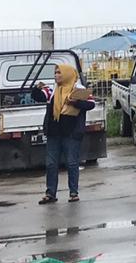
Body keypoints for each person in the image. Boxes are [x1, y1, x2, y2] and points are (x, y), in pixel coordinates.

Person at [37, 64, 96, 204]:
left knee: (72, 163)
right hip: (54, 132)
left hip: (71, 132)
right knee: (51, 164)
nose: (56, 75)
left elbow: (91, 104)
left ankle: (73, 193)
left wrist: (76, 103)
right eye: (55, 73)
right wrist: (36, 89)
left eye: (59, 73)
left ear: (67, 74)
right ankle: (50, 193)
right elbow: (39, 96)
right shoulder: (53, 90)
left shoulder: (79, 89)